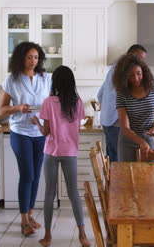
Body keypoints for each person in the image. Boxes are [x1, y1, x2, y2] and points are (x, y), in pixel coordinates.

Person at [30, 66, 91, 247]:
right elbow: (77, 128)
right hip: (70, 152)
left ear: (55, 82)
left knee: (49, 193)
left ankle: (47, 237)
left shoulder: (48, 102)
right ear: (71, 82)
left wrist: (36, 122)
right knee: (74, 193)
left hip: (51, 152)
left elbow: (45, 132)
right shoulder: (77, 102)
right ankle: (83, 235)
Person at [0, 42, 51, 236]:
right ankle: (23, 220)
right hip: (20, 132)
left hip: (39, 132)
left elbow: (52, 103)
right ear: (21, 58)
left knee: (36, 175)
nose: (33, 61)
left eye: (36, 57)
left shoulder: (46, 78)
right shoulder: (11, 79)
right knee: (27, 174)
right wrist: (18, 108)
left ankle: (30, 215)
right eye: (29, 57)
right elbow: (2, 109)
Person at [97, 44, 147, 162]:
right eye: (139, 58)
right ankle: (119, 181)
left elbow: (100, 95)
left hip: (107, 121)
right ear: (130, 55)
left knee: (113, 157)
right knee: (121, 159)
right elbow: (127, 97)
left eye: (143, 59)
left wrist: (107, 111)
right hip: (116, 121)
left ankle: (113, 181)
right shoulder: (123, 71)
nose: (141, 62)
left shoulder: (114, 68)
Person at [112, 54, 154, 162]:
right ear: (124, 77)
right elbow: (125, 128)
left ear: (144, 72)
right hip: (128, 140)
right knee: (127, 176)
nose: (136, 78)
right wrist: (140, 142)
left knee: (152, 174)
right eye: (131, 76)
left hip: (148, 137)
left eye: (138, 73)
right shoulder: (122, 94)